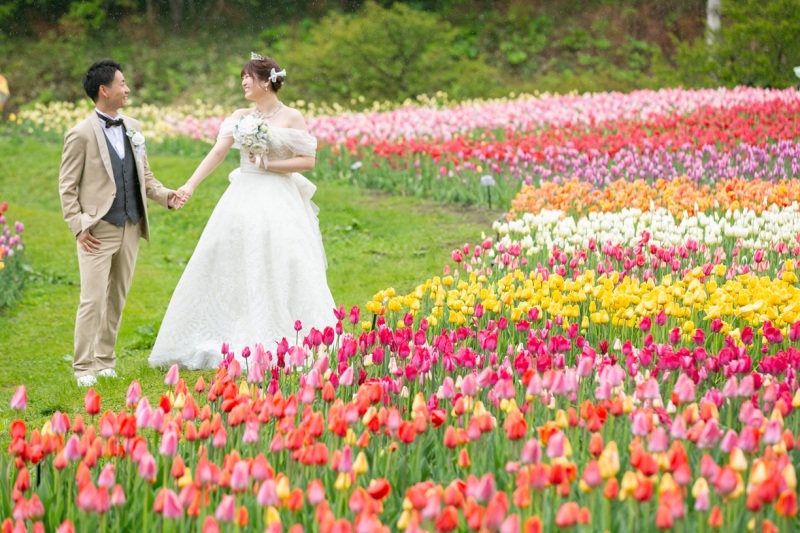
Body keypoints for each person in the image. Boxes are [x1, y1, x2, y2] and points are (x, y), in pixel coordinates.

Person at [148, 53, 335, 370]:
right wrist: (190, 185)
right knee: (231, 258)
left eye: (249, 77)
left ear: (267, 81)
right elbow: (218, 152)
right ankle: (231, 329)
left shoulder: (291, 117)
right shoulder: (240, 116)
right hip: (242, 196)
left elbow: (307, 161)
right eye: (243, 78)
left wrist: (270, 165)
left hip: (279, 198)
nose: (244, 83)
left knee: (282, 259)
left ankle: (288, 332)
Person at [59, 60, 181, 387]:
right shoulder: (80, 134)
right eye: (122, 83)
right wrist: (79, 226)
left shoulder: (133, 126)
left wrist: (166, 196)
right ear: (104, 90)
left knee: (117, 297)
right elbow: (67, 187)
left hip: (131, 225)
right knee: (92, 299)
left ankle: (105, 361)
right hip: (97, 231)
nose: (127, 89)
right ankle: (83, 367)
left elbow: (145, 176)